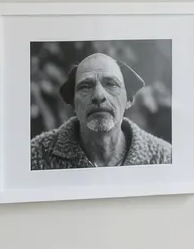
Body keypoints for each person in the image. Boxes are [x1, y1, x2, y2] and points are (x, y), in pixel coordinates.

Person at [30, 52, 172, 169]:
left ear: (128, 100)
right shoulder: (36, 156)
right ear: (73, 104)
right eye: (85, 86)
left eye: (110, 84)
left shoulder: (163, 157)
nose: (98, 96)